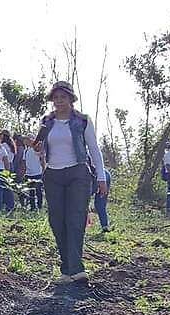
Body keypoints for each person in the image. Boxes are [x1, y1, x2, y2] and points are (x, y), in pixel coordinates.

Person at [34, 81, 106, 284]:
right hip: (53, 174)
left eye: (63, 97)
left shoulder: (82, 121)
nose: (59, 101)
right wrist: (36, 148)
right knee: (57, 220)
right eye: (56, 98)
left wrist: (101, 177)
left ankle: (77, 268)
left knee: (75, 219)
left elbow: (94, 149)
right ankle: (66, 269)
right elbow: (39, 148)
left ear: (71, 99)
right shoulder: (47, 122)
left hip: (78, 173)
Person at [21, 136, 45, 211]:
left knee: (38, 191)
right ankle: (32, 207)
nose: (26, 142)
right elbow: (24, 163)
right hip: (29, 174)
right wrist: (23, 173)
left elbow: (42, 157)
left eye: (27, 140)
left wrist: (44, 170)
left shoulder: (36, 149)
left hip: (37, 173)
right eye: (25, 140)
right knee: (31, 191)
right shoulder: (26, 150)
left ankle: (40, 206)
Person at [92, 166, 111, 232]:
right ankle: (105, 226)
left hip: (101, 176)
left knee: (99, 205)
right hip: (102, 174)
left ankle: (105, 227)